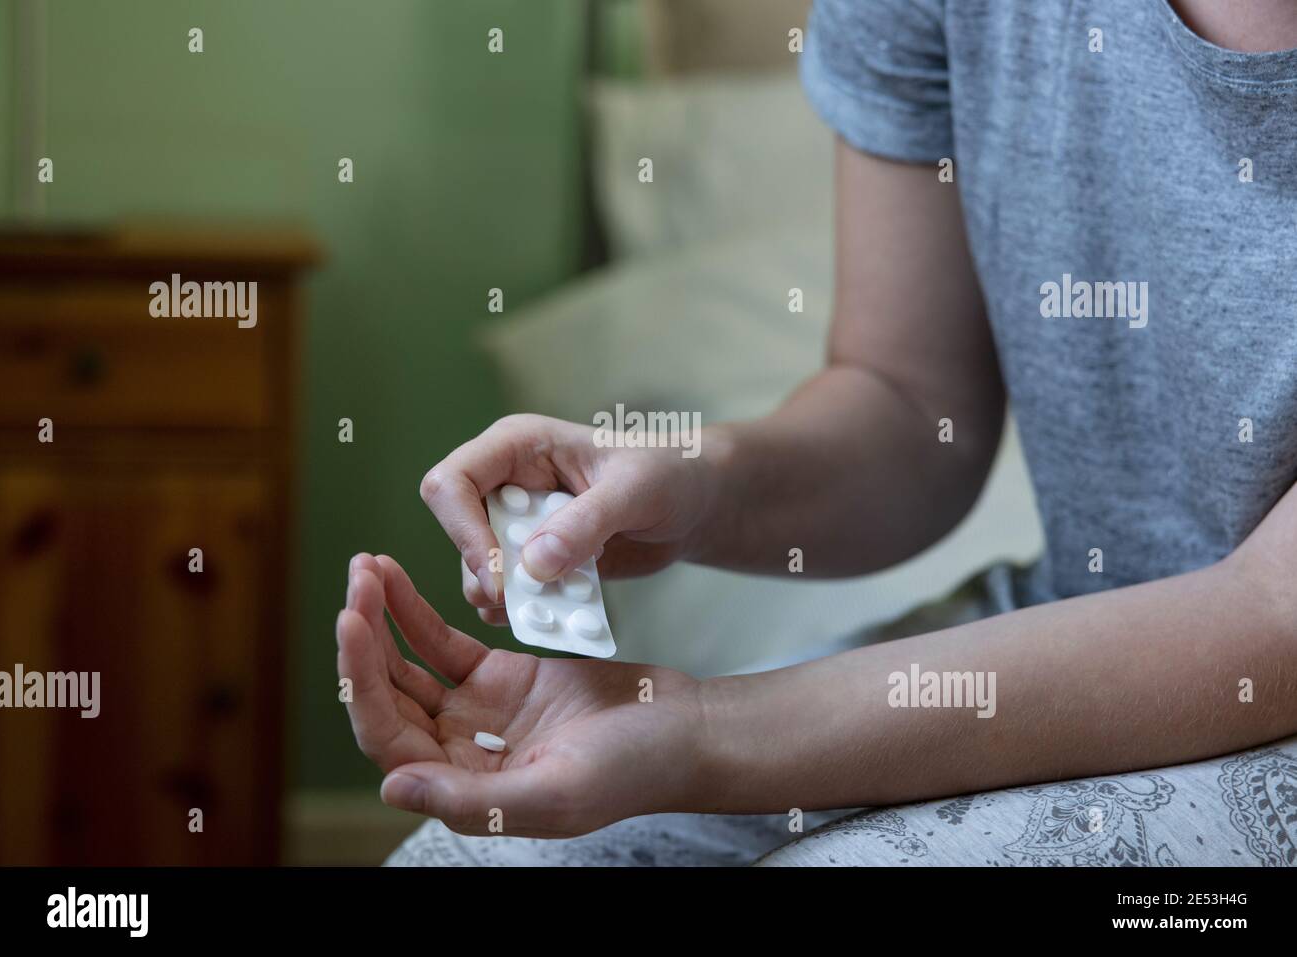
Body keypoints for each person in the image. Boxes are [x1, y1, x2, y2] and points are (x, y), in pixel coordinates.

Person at [338, 0, 1297, 865]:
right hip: (1059, 627)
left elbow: (1273, 613)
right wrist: (697, 483)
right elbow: (911, 405)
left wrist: (701, 731)